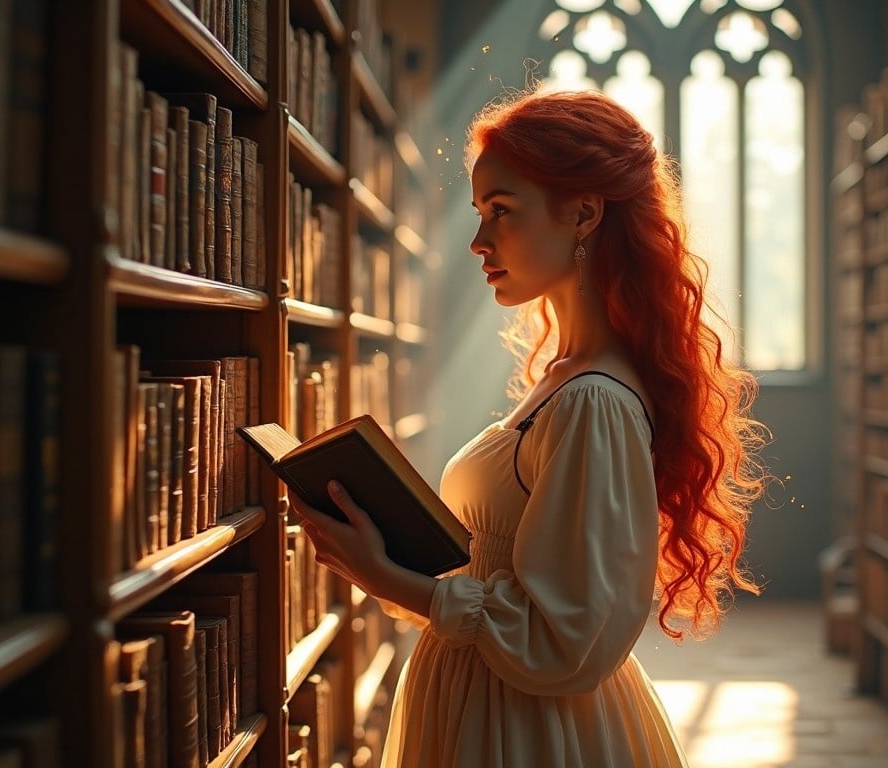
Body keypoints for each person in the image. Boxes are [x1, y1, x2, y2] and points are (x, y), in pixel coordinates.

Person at [289, 87, 768, 768]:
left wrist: (384, 577)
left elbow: (564, 638)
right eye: (481, 213)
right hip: (493, 704)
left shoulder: (591, 402)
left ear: (583, 213)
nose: (479, 241)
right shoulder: (563, 378)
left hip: (526, 728)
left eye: (502, 212)